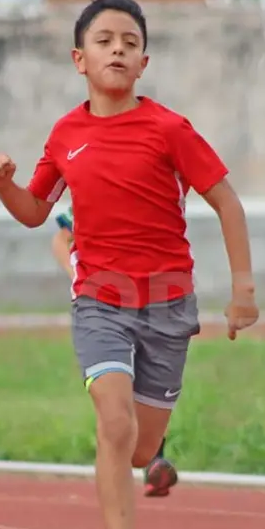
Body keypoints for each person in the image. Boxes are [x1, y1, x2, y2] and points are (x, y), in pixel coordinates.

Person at [0, 0, 259, 529]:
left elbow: (229, 203)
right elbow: (33, 212)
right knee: (113, 420)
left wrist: (242, 289)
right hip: (99, 301)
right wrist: (3, 185)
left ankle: (139, 459)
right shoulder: (66, 134)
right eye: (104, 40)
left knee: (138, 447)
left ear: (144, 60)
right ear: (80, 59)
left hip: (168, 303)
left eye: (129, 41)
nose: (118, 49)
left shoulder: (169, 129)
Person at [52, 204, 180, 498]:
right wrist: (77, 274)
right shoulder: (93, 190)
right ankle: (141, 461)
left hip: (154, 302)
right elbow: (61, 239)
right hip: (104, 306)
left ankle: (152, 456)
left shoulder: (154, 194)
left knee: (149, 382)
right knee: (118, 384)